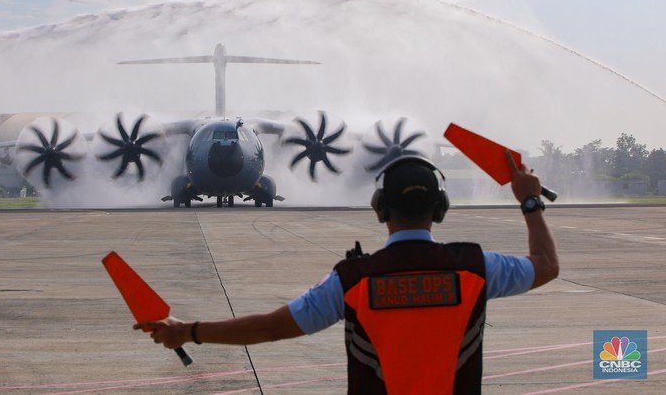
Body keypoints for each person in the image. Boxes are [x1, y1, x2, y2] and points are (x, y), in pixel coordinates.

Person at [134, 151, 558, 394]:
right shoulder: (477, 267)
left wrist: (187, 331)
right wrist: (530, 201)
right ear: (441, 209)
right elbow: (546, 266)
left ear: (379, 209)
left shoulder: (352, 282)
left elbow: (270, 328)